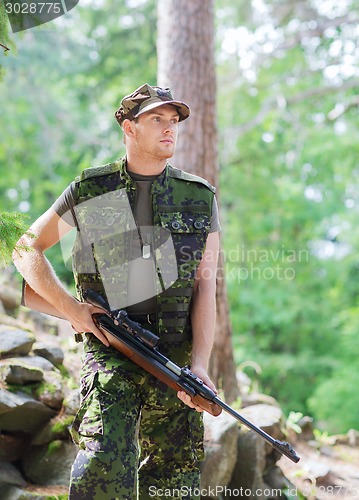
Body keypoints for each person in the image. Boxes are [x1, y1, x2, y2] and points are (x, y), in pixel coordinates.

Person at [13, 83, 220, 499]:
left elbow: (205, 285)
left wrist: (199, 364)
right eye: (156, 119)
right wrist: (71, 309)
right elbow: (25, 247)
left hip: (174, 360)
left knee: (174, 481)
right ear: (129, 128)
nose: (169, 129)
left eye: (174, 121)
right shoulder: (93, 189)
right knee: (104, 462)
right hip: (111, 348)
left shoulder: (198, 197)